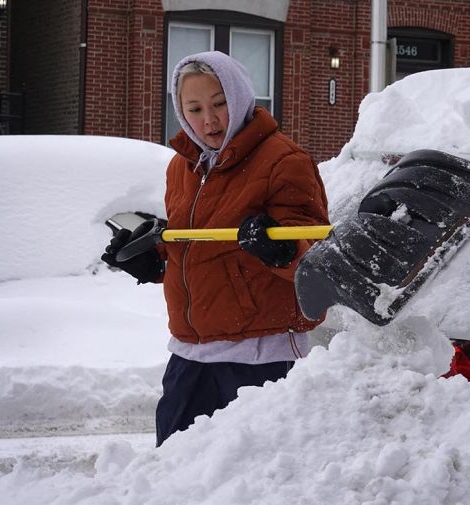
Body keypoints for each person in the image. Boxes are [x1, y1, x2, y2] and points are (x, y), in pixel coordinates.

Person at [101, 51, 329, 447]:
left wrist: (279, 247)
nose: (209, 119)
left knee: (251, 478)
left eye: (220, 103)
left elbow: (313, 259)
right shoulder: (182, 167)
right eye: (195, 108)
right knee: (172, 473)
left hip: (261, 356)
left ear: (240, 98)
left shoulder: (283, 160)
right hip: (190, 354)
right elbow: (197, 247)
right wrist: (153, 261)